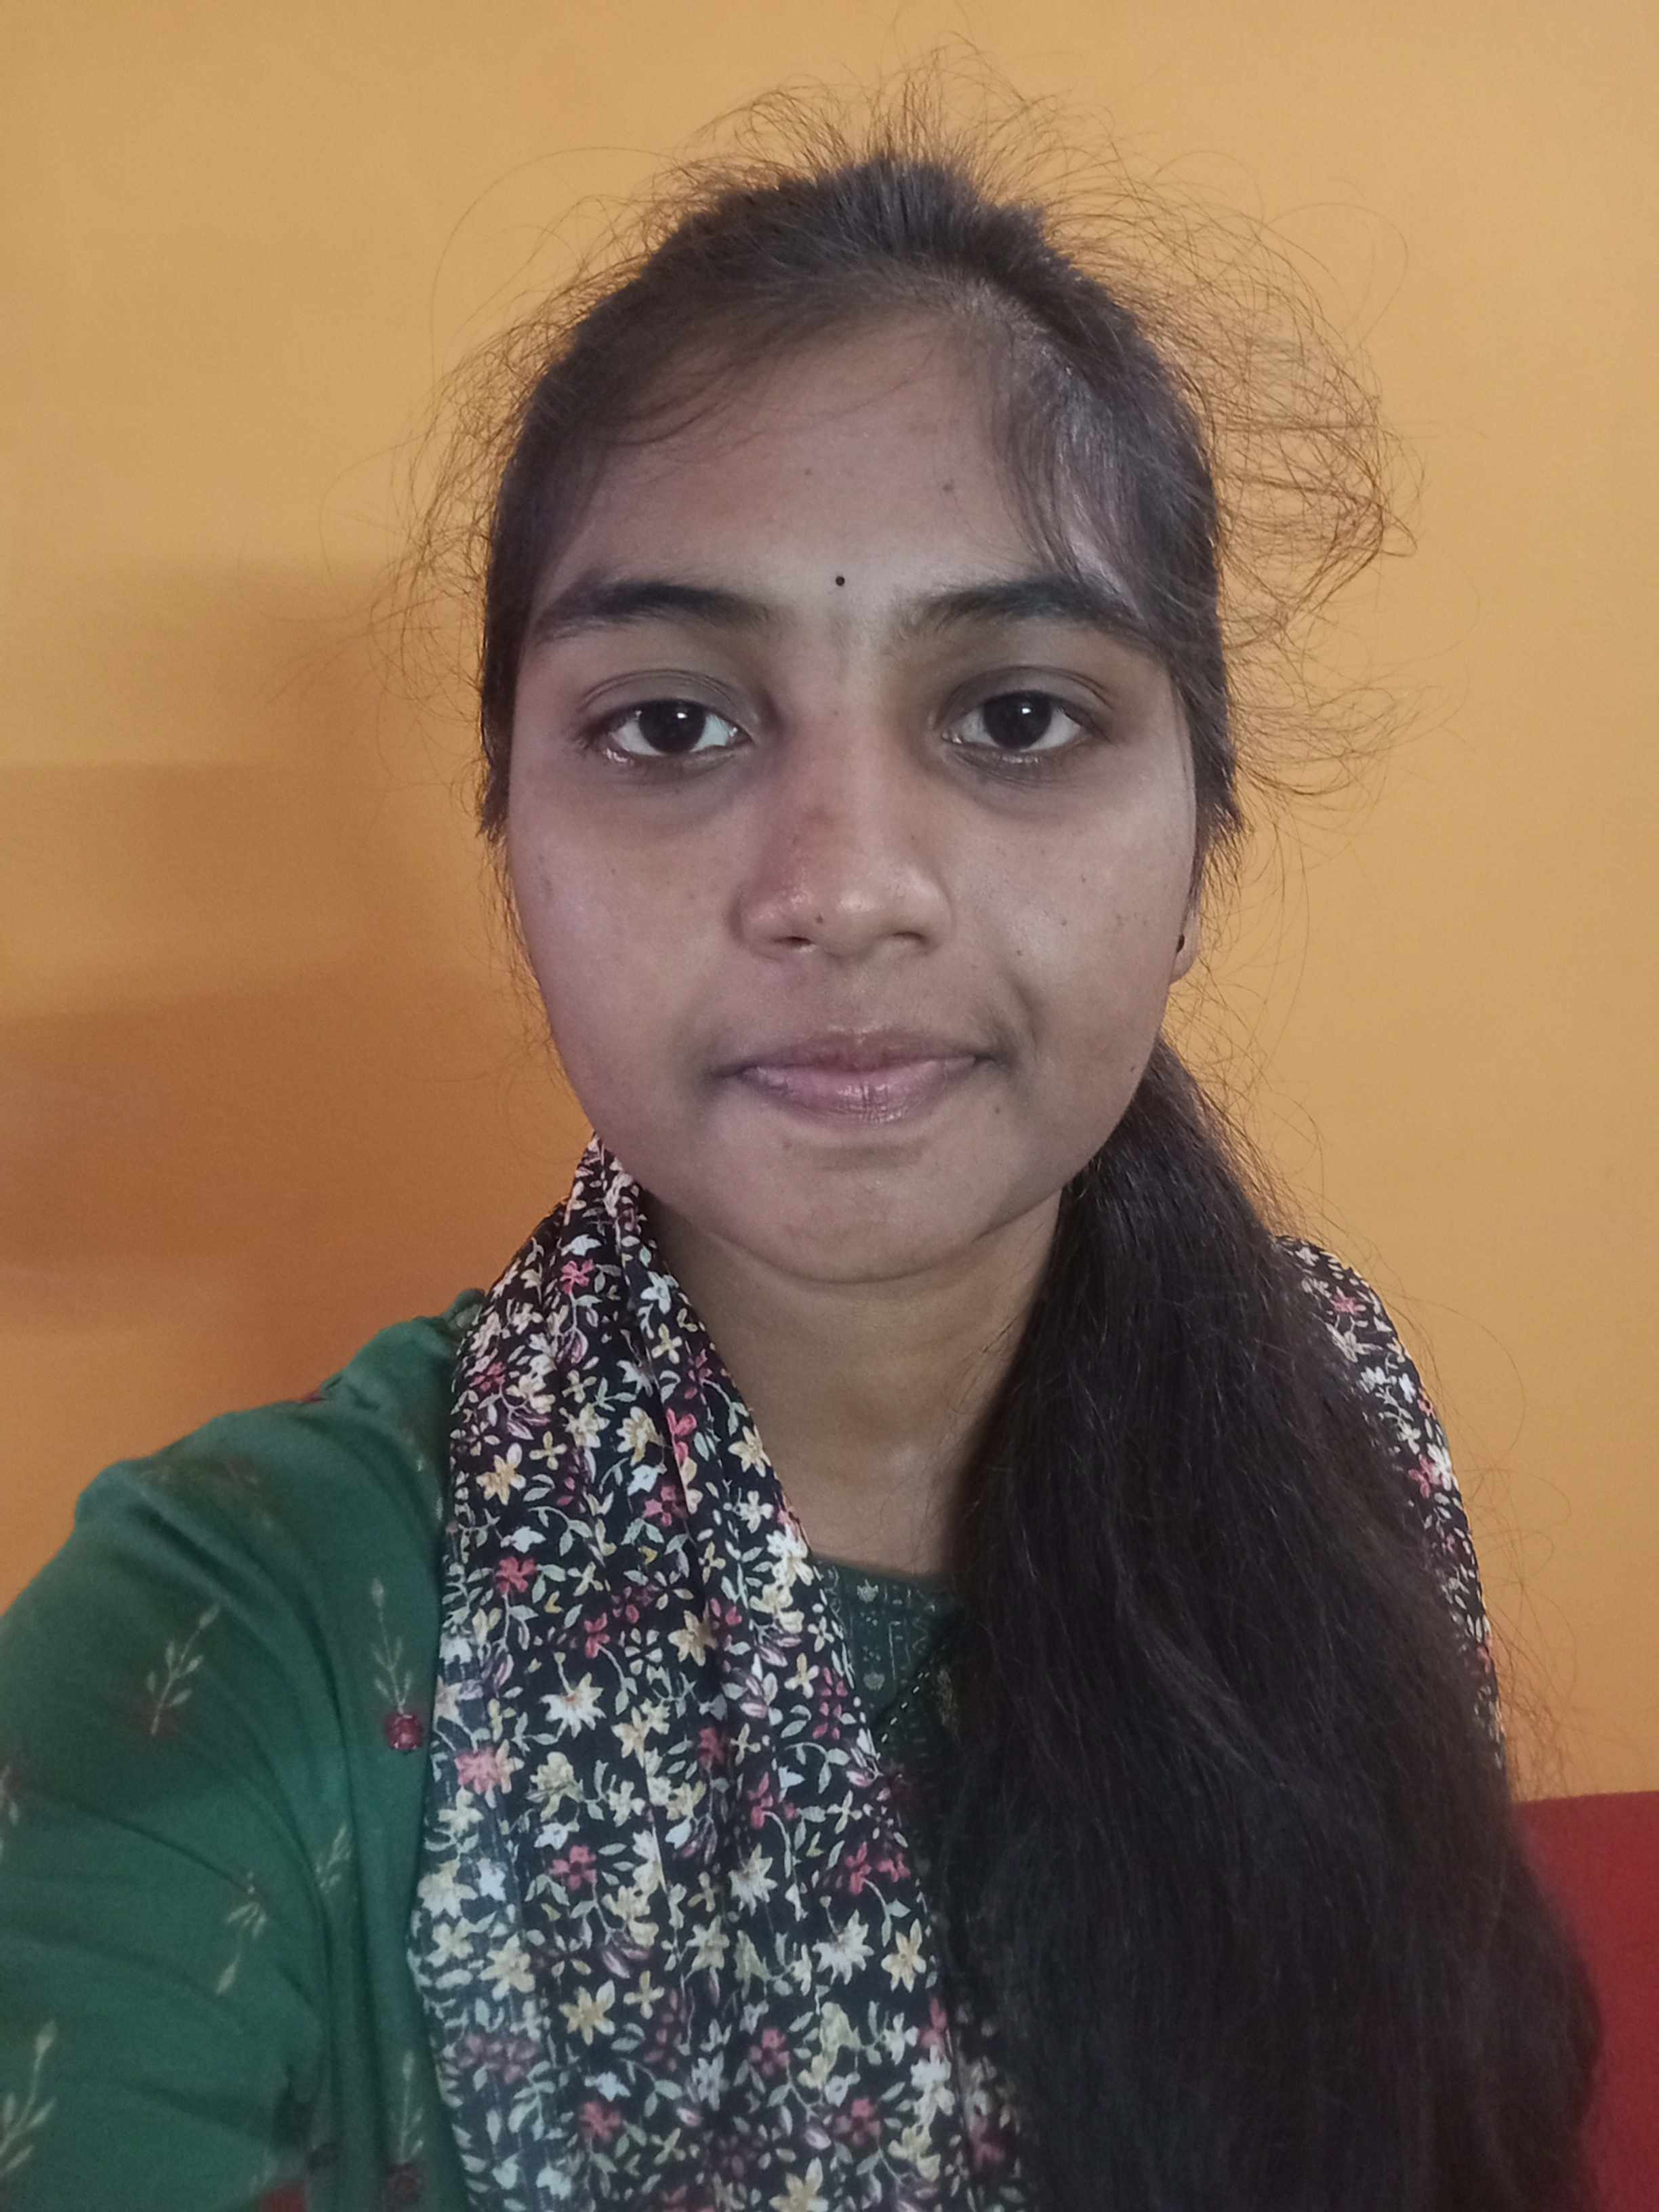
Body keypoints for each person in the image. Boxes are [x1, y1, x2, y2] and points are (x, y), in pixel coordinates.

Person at [0, 82, 1599, 2212]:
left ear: (1202, 843)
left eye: (1016, 717)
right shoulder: (250, 1622)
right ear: (511, 836)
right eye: (672, 724)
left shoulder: (1333, 1420)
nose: (843, 889)